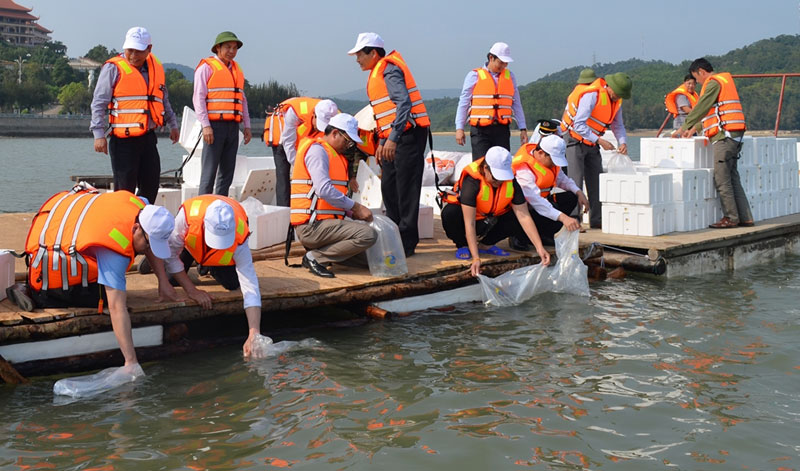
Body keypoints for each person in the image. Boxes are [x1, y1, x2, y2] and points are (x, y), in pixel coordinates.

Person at [10, 186, 176, 369]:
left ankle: (29, 288)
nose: (148, 250)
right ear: (136, 227)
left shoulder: (140, 205)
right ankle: (32, 294)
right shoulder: (114, 250)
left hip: (55, 239)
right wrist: (131, 361)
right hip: (47, 283)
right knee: (107, 296)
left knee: (116, 281)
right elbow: (116, 308)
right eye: (148, 244)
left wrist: (163, 280)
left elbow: (147, 239)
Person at [348, 32, 429, 257]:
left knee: (406, 188)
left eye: (359, 55)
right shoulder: (377, 71)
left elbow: (403, 103)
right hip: (394, 136)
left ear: (373, 53)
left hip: (408, 135)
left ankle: (407, 241)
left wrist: (392, 139)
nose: (357, 60)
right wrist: (383, 141)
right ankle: (395, 233)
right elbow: (386, 113)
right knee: (389, 185)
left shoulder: (389, 69)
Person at [161, 195, 264, 356]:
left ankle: (207, 265)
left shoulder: (239, 232)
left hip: (214, 257)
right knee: (171, 278)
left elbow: (249, 284)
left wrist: (254, 332)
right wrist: (192, 291)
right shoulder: (188, 217)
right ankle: (153, 254)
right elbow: (171, 255)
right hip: (189, 245)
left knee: (232, 284)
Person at [90, 26, 179, 204]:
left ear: (149, 49)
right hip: (123, 142)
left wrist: (173, 123)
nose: (133, 55)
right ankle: (125, 228)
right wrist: (98, 135)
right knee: (125, 191)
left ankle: (142, 227)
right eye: (130, 50)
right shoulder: (112, 68)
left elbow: (162, 98)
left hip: (148, 138)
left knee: (150, 185)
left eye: (138, 51)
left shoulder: (156, 69)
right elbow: (98, 103)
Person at [290, 113, 377, 278]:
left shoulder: (335, 155)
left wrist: (352, 213)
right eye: (347, 141)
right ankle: (315, 257)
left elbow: (332, 199)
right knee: (367, 235)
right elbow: (323, 190)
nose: (348, 146)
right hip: (312, 227)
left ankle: (322, 253)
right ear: (335, 133)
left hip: (327, 225)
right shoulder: (317, 151)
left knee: (369, 259)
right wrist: (356, 207)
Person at [441, 146, 551, 277]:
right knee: (450, 213)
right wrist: (476, 258)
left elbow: (524, 216)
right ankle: (462, 244)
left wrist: (540, 248)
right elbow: (469, 222)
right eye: (496, 178)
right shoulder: (472, 181)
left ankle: (486, 245)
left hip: (491, 221)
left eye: (503, 178)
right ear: (486, 168)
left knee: (518, 218)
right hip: (470, 221)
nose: (499, 182)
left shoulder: (511, 181)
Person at [676, 58, 753, 228]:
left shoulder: (712, 83)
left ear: (701, 72)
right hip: (735, 135)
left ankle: (731, 218)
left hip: (724, 137)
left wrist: (684, 127)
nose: (697, 82)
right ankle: (746, 217)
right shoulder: (725, 82)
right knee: (733, 177)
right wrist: (694, 128)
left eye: (696, 78)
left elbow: (701, 107)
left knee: (722, 178)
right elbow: (711, 112)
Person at [559, 72, 632, 228]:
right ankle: (574, 221)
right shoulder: (592, 95)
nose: (617, 97)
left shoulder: (616, 102)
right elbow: (578, 125)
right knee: (575, 183)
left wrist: (622, 141)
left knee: (597, 183)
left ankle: (597, 222)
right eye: (617, 93)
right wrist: (599, 140)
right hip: (575, 141)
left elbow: (618, 125)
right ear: (610, 87)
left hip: (592, 145)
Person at [193, 31, 251, 197]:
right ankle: (203, 208)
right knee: (209, 173)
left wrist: (246, 125)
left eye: (234, 48)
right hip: (214, 126)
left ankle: (220, 207)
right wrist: (206, 126)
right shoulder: (206, 68)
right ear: (217, 48)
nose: (232, 51)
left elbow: (242, 100)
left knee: (227, 174)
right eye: (228, 47)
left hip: (233, 126)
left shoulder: (237, 70)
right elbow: (198, 98)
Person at [511, 134, 589, 248]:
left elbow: (562, 179)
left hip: (543, 202)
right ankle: (518, 236)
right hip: (525, 208)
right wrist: (563, 217)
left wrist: (578, 192)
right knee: (534, 212)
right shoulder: (524, 169)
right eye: (552, 160)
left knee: (571, 197)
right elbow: (535, 200)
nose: (554, 164)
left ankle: (545, 235)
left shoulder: (551, 164)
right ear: (541, 153)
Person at [455, 42, 528, 161]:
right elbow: (463, 103)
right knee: (481, 166)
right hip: (480, 131)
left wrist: (523, 129)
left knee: (502, 164)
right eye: (501, 62)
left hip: (502, 130)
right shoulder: (474, 75)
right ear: (491, 58)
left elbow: (517, 104)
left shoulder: (510, 77)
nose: (503, 66)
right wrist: (459, 128)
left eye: (506, 63)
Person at [263, 98, 339, 207]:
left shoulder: (332, 112)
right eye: (319, 124)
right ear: (314, 115)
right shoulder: (294, 113)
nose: (319, 129)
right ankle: (284, 211)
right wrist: (299, 165)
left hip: (303, 142)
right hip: (281, 137)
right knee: (283, 176)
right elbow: (288, 142)